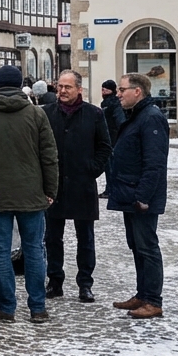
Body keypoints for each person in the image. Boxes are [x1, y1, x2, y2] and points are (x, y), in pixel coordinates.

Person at [0, 64, 59, 324]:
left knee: (0, 251)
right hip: (32, 193)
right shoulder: (36, 115)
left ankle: (6, 307)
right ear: (20, 86)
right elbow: (49, 156)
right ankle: (38, 308)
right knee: (34, 250)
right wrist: (51, 189)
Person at [41, 70, 111, 304]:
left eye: (67, 87)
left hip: (82, 185)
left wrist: (92, 169)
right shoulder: (46, 114)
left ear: (79, 89)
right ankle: (55, 281)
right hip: (54, 186)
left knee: (86, 238)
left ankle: (85, 284)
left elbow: (104, 147)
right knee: (52, 237)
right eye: (59, 86)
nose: (62, 91)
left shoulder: (94, 114)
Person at [107, 72, 169, 319]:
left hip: (141, 198)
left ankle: (153, 300)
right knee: (137, 246)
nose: (118, 94)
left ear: (137, 91)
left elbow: (155, 163)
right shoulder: (138, 115)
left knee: (147, 248)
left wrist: (143, 197)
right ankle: (143, 294)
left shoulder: (151, 118)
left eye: (122, 90)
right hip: (130, 194)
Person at [99, 80, 125, 146]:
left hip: (113, 135)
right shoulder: (117, 101)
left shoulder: (110, 103)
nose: (103, 92)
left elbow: (120, 121)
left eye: (104, 90)